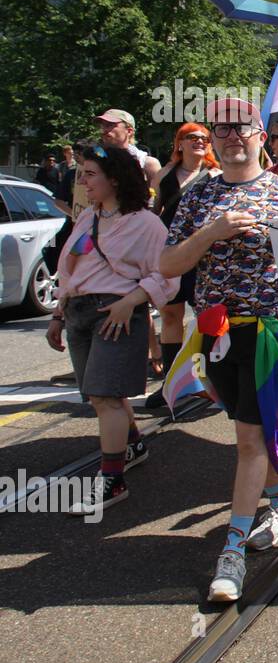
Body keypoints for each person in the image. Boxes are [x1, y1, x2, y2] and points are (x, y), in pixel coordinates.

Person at [160, 98, 278, 602]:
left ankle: (231, 555)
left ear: (260, 137)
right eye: (222, 128)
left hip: (269, 335)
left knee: (249, 439)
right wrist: (213, 231)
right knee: (250, 426)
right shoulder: (198, 197)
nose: (231, 136)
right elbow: (168, 265)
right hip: (214, 336)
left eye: (242, 128)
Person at [47, 145, 177, 513]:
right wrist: (59, 313)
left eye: (90, 174)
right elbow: (70, 270)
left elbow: (167, 274)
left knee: (105, 397)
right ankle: (132, 445)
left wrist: (131, 302)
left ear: (115, 179)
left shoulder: (146, 224)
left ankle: (112, 480)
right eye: (81, 174)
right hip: (79, 313)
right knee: (101, 395)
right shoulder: (88, 217)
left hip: (116, 314)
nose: (82, 182)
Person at [143, 123, 220, 409]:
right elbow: (152, 213)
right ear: (180, 143)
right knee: (171, 318)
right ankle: (172, 382)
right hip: (172, 255)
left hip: (203, 256)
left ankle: (210, 380)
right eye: (192, 138)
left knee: (207, 320)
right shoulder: (163, 175)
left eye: (204, 138)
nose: (199, 142)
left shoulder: (216, 176)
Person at [71, 110, 161, 219]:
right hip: (99, 226)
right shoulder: (95, 159)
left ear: (129, 131)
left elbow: (157, 205)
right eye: (102, 126)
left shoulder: (147, 163)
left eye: (110, 125)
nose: (104, 130)